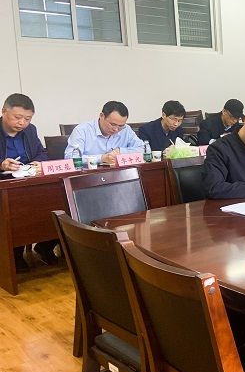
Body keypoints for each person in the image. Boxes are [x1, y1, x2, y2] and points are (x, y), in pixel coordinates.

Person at [1, 94, 55, 269]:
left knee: (57, 200)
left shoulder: (30, 130)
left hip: (29, 180)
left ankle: (45, 246)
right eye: (18, 117)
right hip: (5, 184)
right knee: (17, 209)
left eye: (27, 118)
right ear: (4, 111)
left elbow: (41, 152)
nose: (22, 123)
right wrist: (2, 165)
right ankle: (13, 254)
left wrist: (38, 162)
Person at [64, 101, 143, 165]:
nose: (116, 129)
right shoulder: (82, 130)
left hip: (120, 175)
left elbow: (144, 149)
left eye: (121, 126)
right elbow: (70, 158)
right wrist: (101, 158)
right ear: (102, 116)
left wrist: (121, 152)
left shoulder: (126, 129)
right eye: (113, 124)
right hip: (90, 176)